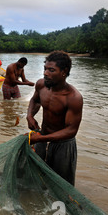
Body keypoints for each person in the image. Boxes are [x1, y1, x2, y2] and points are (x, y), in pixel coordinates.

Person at [26, 51, 83, 186]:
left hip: (63, 146)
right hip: (42, 137)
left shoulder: (73, 97)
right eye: (45, 68)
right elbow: (35, 101)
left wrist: (39, 138)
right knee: (36, 178)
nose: (45, 73)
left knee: (62, 184)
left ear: (64, 72)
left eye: (51, 70)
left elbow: (71, 130)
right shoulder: (41, 85)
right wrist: (29, 116)